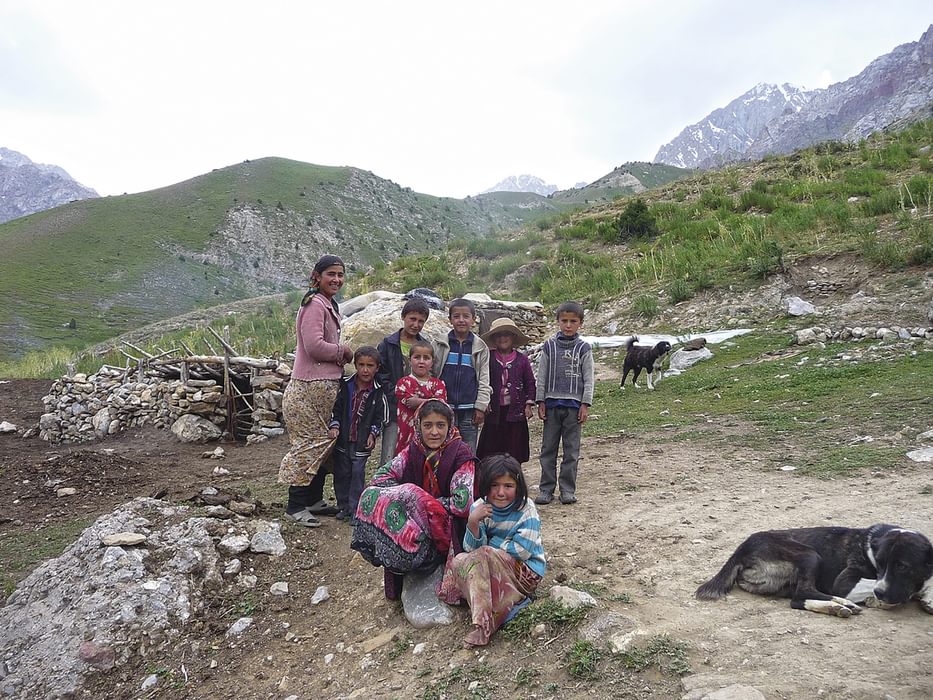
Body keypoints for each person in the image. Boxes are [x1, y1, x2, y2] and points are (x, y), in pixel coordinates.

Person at [351, 399, 476, 600]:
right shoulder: (413, 450)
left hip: (450, 526)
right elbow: (380, 478)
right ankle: (404, 563)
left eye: (440, 425)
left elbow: (463, 504)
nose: (434, 432)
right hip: (419, 524)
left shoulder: (461, 453)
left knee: (410, 493)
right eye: (427, 425)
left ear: (450, 426)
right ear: (418, 426)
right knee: (372, 495)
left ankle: (428, 562)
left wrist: (419, 501)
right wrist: (408, 499)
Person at [438, 454, 545, 647]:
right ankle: (509, 604)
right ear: (486, 485)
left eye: (508, 486)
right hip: (491, 567)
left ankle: (483, 625)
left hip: (526, 573)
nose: (501, 492)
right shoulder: (480, 508)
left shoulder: (526, 510)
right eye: (495, 485)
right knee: (459, 561)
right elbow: (472, 550)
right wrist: (472, 523)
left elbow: (522, 551)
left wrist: (491, 545)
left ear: (518, 487)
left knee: (483, 555)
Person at [278, 254, 353, 528]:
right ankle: (296, 505)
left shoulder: (327, 304)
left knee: (324, 443)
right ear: (317, 276)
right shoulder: (314, 306)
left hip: (322, 389)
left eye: (340, 275)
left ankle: (313, 499)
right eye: (331, 274)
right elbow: (313, 346)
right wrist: (342, 352)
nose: (336, 279)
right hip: (307, 390)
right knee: (310, 444)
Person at [534, 301, 594, 506]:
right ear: (558, 322)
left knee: (571, 451)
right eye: (564, 321)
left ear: (580, 324)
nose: (568, 325)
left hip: (574, 407)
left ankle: (567, 489)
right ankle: (546, 489)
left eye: (573, 321)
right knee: (548, 449)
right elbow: (541, 375)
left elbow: (589, 378)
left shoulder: (584, 348)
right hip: (551, 406)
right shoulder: (549, 346)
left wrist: (585, 403)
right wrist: (540, 400)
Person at [327, 346, 388, 523]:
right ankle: (343, 506)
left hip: (362, 442)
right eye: (361, 365)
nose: (365, 369)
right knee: (342, 473)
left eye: (370, 365)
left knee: (357, 474)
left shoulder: (378, 390)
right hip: (343, 439)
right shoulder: (346, 386)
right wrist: (335, 426)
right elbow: (336, 408)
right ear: (355, 365)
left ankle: (356, 509)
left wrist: (373, 434)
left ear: (377, 367)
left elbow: (381, 416)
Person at [377, 299, 431, 467]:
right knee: (390, 453)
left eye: (421, 321)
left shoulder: (425, 346)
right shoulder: (388, 344)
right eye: (412, 319)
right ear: (403, 317)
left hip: (418, 410)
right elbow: (381, 374)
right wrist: (398, 396)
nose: (416, 324)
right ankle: (384, 489)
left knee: (415, 453)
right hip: (395, 409)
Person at [476, 317, 537, 464]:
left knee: (514, 448)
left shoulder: (522, 360)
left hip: (515, 411)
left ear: (513, 337)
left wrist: (528, 404)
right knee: (491, 449)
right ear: (494, 338)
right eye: (499, 335)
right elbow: (481, 380)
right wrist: (484, 401)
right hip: (494, 412)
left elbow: (530, 382)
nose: (503, 338)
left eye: (506, 334)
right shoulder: (488, 358)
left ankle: (513, 476)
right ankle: (491, 477)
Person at [435, 298, 491, 453]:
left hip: (469, 411)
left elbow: (484, 379)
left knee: (467, 450)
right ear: (450, 319)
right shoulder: (440, 344)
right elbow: (432, 374)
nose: (461, 320)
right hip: (444, 408)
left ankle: (467, 477)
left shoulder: (480, 347)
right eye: (456, 316)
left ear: (473, 319)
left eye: (466, 316)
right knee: (443, 449)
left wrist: (480, 406)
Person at [394, 340, 447, 455]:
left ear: (432, 362)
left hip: (431, 437)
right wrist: (430, 401)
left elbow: (440, 404)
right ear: (410, 360)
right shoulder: (403, 383)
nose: (421, 362)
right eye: (417, 357)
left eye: (426, 358)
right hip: (407, 438)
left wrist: (419, 401)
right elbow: (409, 402)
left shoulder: (438, 384)